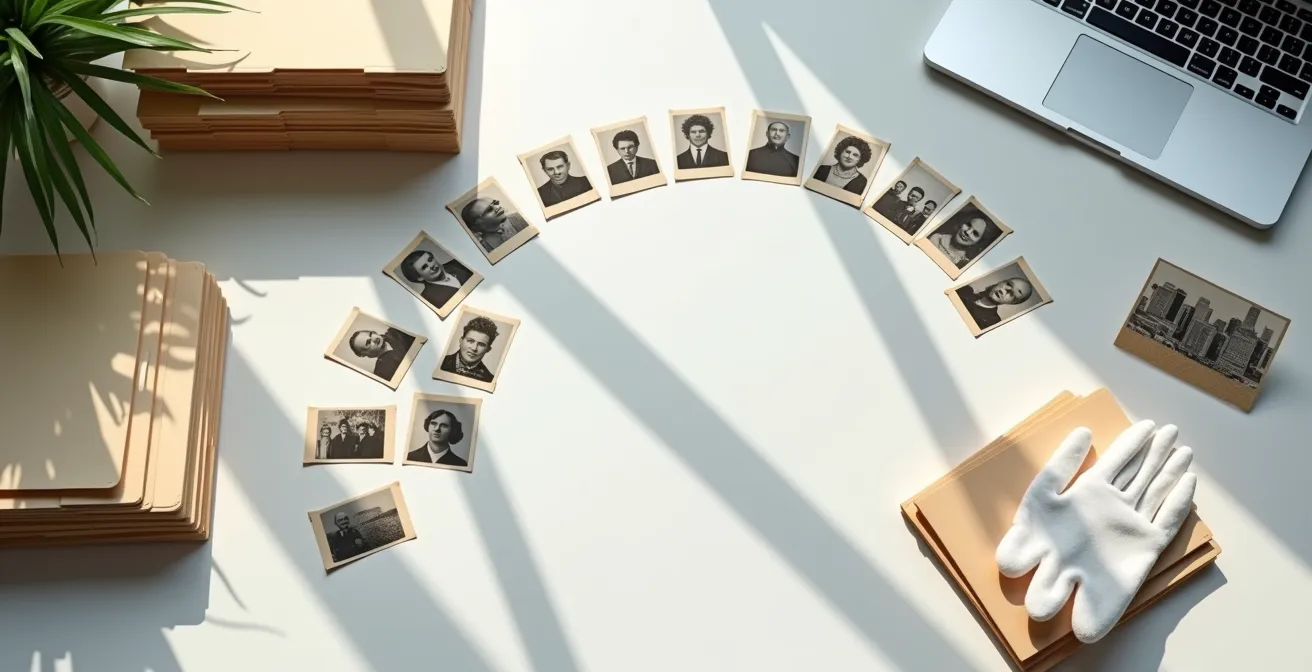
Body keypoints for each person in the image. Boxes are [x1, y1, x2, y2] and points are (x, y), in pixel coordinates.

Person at [398, 248, 474, 308]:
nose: (431, 265)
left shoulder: (459, 264)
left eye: (430, 260)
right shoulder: (428, 299)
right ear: (419, 277)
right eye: (424, 267)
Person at [956, 276, 1033, 330]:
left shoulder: (991, 322)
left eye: (1013, 295)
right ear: (1000, 282)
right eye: (1009, 284)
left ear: (1012, 303)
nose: (1004, 291)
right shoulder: (965, 289)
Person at [440, 316, 500, 382]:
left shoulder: (490, 379)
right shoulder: (441, 362)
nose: (474, 348)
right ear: (461, 340)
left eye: (481, 344)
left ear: (488, 349)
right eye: (470, 341)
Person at [460, 197, 530, 253]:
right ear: (477, 223)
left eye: (495, 204)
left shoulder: (519, 219)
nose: (498, 208)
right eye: (489, 209)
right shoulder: (482, 250)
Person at [928, 212, 998, 268]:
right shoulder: (937, 238)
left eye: (975, 233)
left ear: (979, 242)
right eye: (968, 225)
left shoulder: (965, 265)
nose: (967, 232)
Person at [349, 327, 414, 381]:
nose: (374, 339)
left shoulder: (395, 331)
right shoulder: (382, 371)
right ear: (365, 354)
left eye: (371, 334)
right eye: (368, 342)